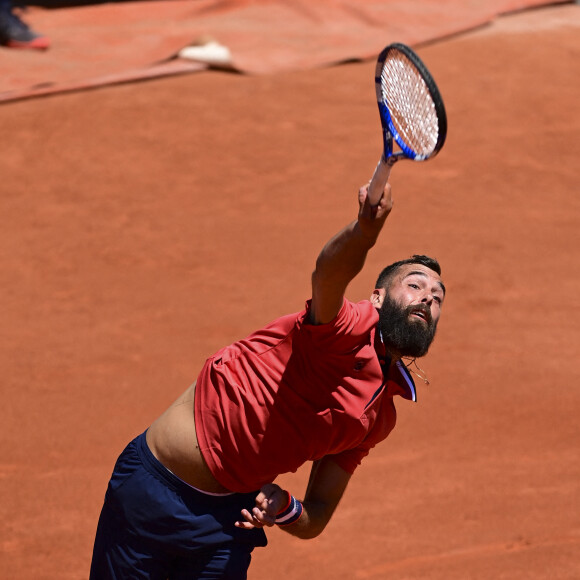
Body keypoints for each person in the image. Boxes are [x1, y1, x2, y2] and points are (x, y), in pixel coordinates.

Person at [90, 179, 446, 579]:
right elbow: (328, 273)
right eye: (414, 285)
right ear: (378, 298)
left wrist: (286, 509)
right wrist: (364, 231)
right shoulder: (343, 330)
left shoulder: (377, 418)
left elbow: (319, 513)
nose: (427, 298)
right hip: (150, 494)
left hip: (228, 523)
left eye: (437, 298)